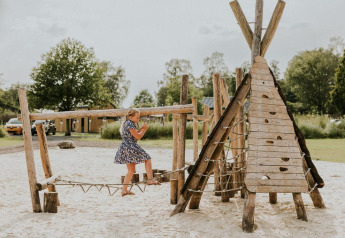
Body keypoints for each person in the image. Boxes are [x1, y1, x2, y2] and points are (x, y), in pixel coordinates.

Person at [114, 108, 160, 197]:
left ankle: (124, 190)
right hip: (130, 146)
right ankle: (150, 179)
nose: (138, 119)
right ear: (131, 117)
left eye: (139, 117)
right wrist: (145, 129)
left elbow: (134, 134)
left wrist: (142, 128)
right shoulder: (130, 124)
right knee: (147, 158)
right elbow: (138, 136)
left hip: (125, 147)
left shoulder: (128, 123)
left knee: (131, 170)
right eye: (137, 117)